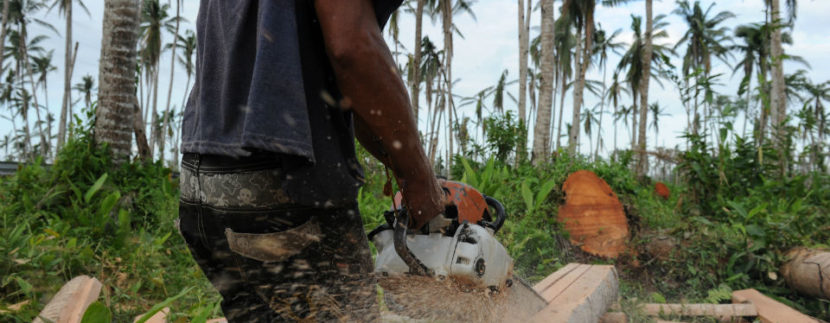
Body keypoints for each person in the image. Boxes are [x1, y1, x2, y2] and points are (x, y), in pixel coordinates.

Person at [176, 0, 444, 321]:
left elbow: (352, 86)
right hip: (281, 192)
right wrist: (418, 179)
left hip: (202, 187)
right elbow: (353, 49)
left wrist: (402, 169)